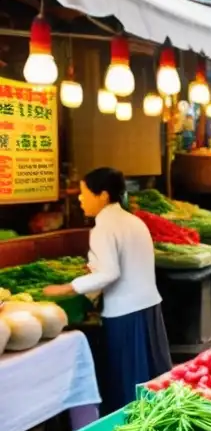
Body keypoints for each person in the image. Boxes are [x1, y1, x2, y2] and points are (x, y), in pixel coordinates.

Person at [43, 168, 170, 411]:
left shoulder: (104, 227)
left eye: (83, 193)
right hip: (148, 306)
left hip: (125, 313)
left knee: (128, 382)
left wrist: (67, 288)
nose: (79, 199)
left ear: (102, 195)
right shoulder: (133, 221)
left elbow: (110, 273)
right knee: (152, 378)